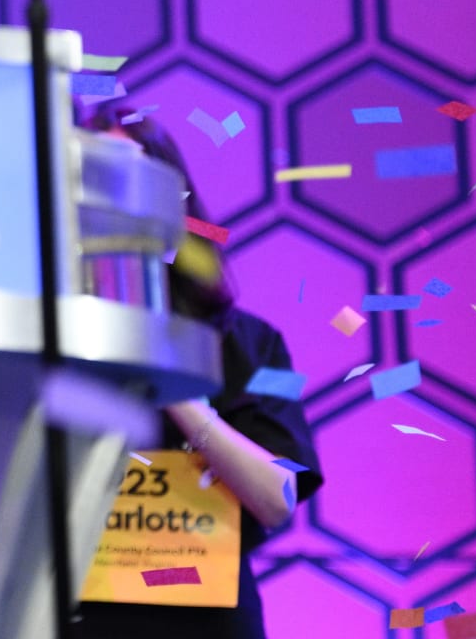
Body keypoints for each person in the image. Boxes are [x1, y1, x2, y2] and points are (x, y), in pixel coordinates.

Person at [71, 103, 323, 639]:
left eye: (130, 174)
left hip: (204, 618)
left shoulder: (246, 340)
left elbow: (277, 499)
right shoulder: (48, 339)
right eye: (92, 177)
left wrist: (177, 390)